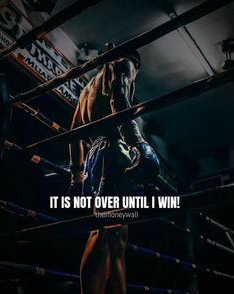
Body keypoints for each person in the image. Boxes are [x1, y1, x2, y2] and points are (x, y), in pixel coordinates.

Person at [69, 46, 159, 294]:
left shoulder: (87, 90)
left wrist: (77, 176)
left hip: (94, 158)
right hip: (113, 153)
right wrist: (137, 143)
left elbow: (74, 134)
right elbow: (118, 99)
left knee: (117, 237)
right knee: (104, 231)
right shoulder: (123, 64)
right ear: (136, 65)